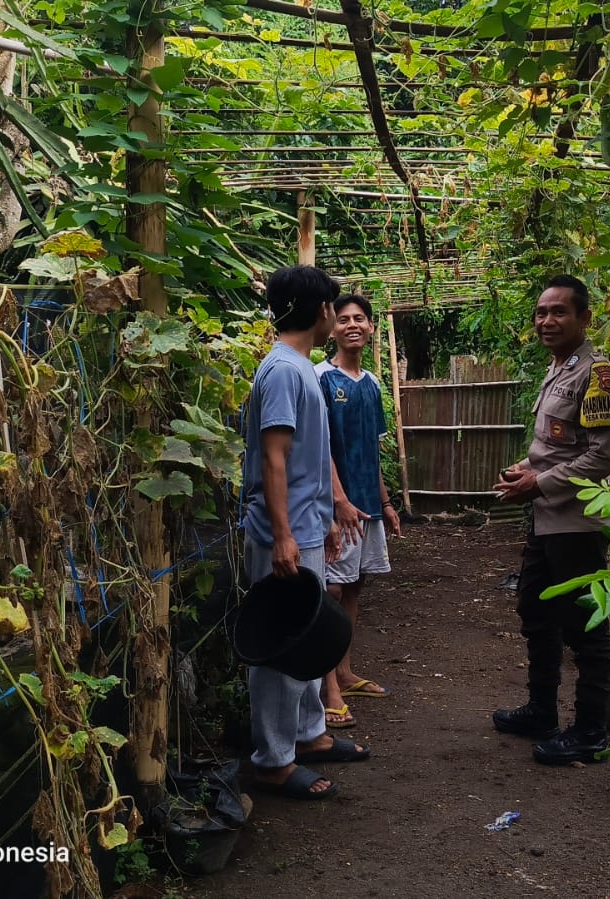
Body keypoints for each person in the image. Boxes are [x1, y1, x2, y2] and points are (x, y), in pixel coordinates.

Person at [241, 265, 371, 800]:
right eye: (333, 310)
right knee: (281, 648)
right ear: (320, 312)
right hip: (282, 533)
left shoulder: (299, 367)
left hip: (304, 527)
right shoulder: (283, 372)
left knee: (308, 635)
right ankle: (272, 761)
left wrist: (324, 522)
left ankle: (310, 735)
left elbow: (308, 462)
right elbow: (274, 458)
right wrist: (286, 535)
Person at [492, 274, 610, 766]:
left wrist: (538, 482)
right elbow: (559, 447)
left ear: (585, 318)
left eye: (559, 312)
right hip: (547, 519)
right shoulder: (559, 369)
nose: (547, 321)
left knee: (586, 630)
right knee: (535, 610)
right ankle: (541, 711)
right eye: (541, 313)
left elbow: (602, 458)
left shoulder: (599, 373)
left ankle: (590, 732)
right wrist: (526, 470)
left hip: (577, 524)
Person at [316, 294, 404, 729]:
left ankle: (346, 672)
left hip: (366, 506)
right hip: (338, 508)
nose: (352, 325)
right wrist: (339, 501)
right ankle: (328, 684)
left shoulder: (370, 384)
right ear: (331, 328)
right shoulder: (320, 378)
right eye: (344, 319)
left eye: (360, 319)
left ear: (371, 328)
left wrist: (385, 503)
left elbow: (371, 449)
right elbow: (319, 448)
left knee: (355, 587)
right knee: (331, 591)